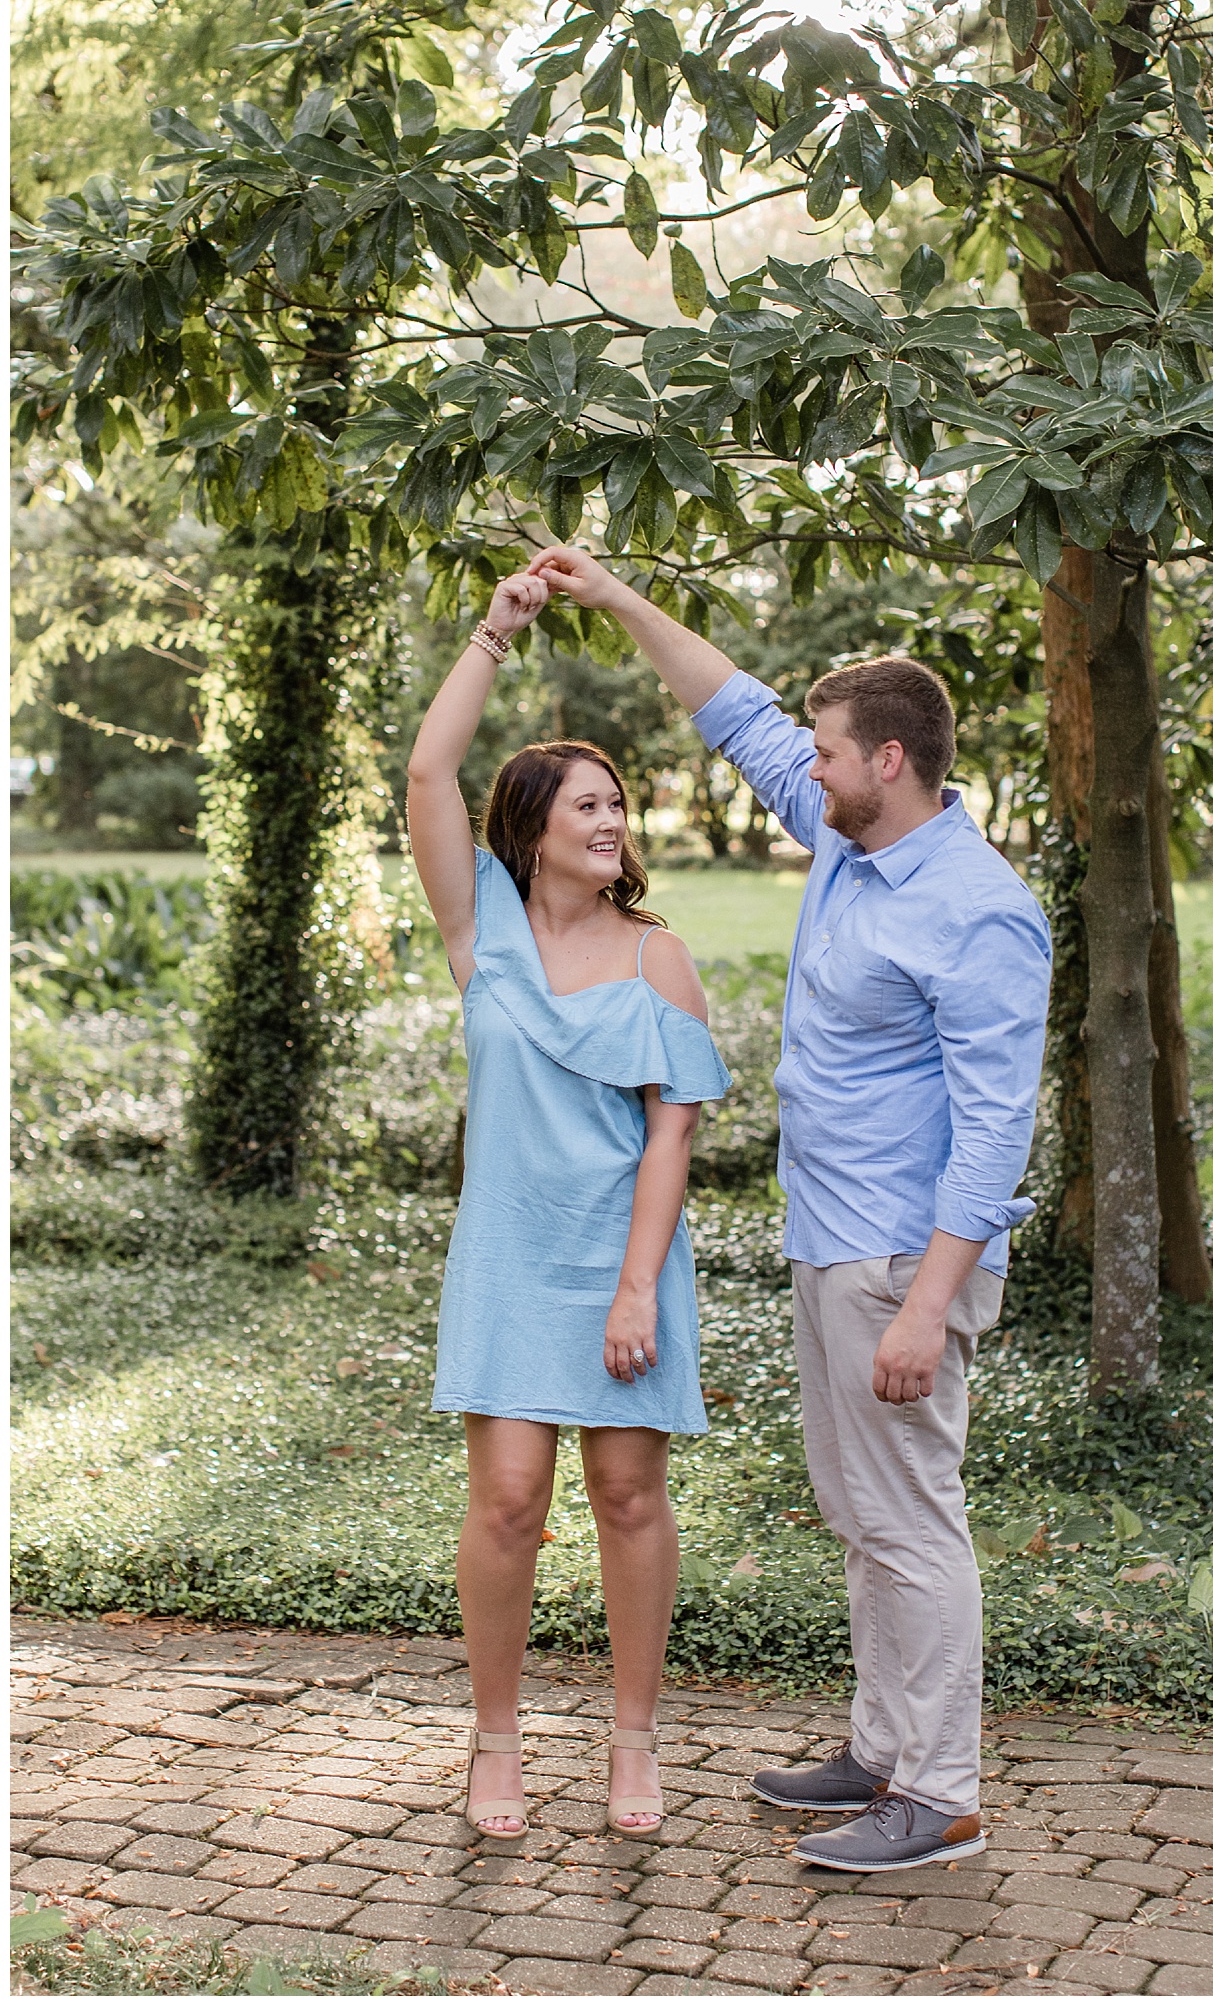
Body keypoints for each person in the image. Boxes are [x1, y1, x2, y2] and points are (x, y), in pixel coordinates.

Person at [528, 543, 1052, 1875]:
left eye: (825, 755)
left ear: (888, 761)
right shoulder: (844, 835)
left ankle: (940, 1796)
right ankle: (882, 1752)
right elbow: (735, 708)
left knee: (909, 1512)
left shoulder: (980, 911)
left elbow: (995, 1127)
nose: (801, 772)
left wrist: (929, 1306)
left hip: (902, 1255)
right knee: (858, 1509)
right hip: (832, 1238)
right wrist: (616, 597)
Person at [406, 570, 731, 1845]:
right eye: (589, 803)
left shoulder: (660, 956)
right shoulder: (478, 928)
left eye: (618, 803)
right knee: (506, 1499)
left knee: (630, 1493)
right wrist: (496, 628)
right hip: (509, 1256)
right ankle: (495, 1745)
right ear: (533, 825)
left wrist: (639, 1284)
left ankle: (632, 1743)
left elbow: (672, 1131)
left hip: (624, 1253)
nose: (613, 820)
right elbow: (431, 776)